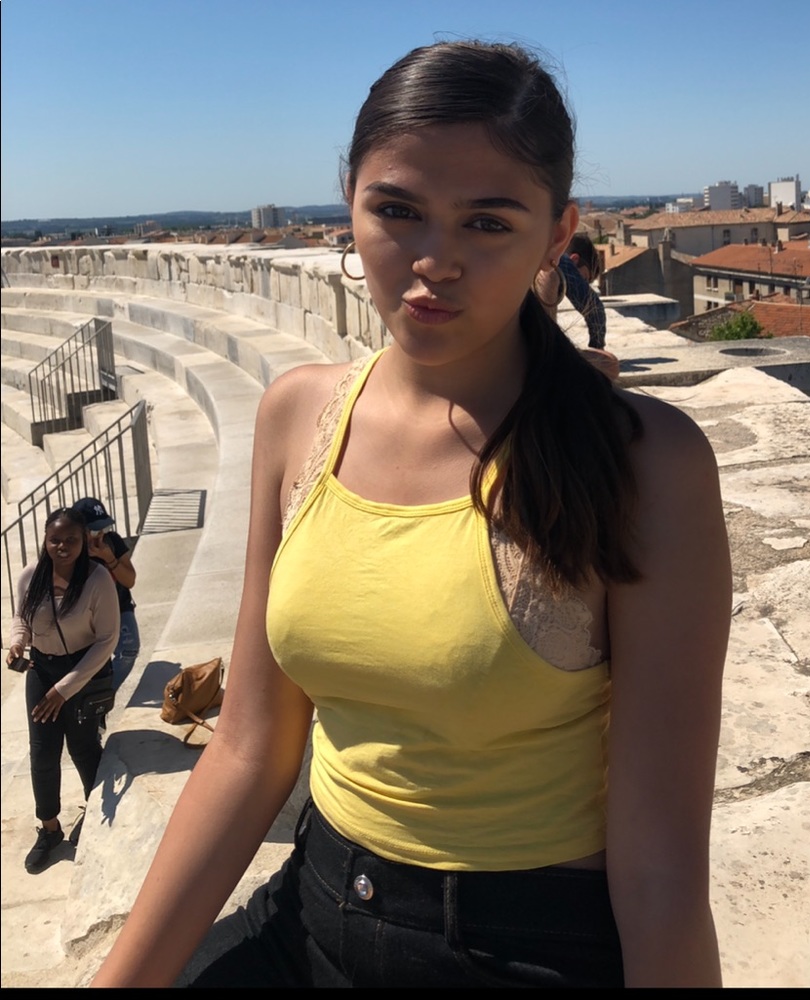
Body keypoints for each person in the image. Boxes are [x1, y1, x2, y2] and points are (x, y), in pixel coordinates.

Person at [93, 40, 730, 988]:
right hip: (314, 908)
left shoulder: (647, 466)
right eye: (397, 211)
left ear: (560, 234)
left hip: (523, 945)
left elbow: (664, 871)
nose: (434, 262)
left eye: (486, 222)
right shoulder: (298, 417)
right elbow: (249, 745)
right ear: (347, 202)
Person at [7, 507, 119, 873]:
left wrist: (65, 689)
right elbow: (22, 618)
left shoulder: (97, 579)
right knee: (42, 751)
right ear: (45, 539)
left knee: (84, 747)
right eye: (55, 539)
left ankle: (97, 813)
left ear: (83, 540)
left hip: (84, 669)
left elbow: (107, 640)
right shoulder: (31, 576)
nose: (62, 546)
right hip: (43, 668)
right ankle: (49, 828)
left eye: (71, 539)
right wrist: (17, 644)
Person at [71, 497, 140, 687]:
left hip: (119, 605)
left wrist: (109, 558)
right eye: (94, 530)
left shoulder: (112, 542)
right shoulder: (72, 551)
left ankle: (105, 694)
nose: (100, 535)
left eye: (104, 528)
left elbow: (130, 579)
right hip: (88, 614)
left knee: (128, 650)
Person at [559, 232, 607, 349]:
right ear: (574, 260)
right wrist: (597, 349)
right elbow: (595, 310)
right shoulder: (559, 261)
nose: (583, 284)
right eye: (584, 279)